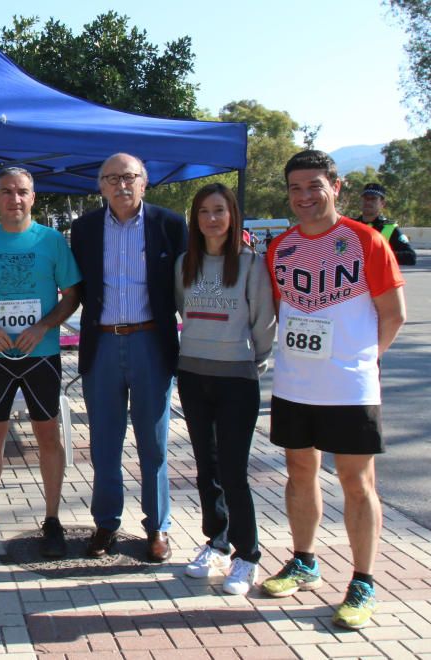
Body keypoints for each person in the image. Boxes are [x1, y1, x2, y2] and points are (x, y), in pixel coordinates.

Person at [262, 150, 405, 630]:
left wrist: (364, 360)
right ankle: (304, 559)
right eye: (296, 188)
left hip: (350, 387)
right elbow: (284, 313)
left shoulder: (365, 240)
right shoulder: (279, 247)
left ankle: (363, 580)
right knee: (299, 472)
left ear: (336, 187)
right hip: (295, 384)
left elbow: (394, 313)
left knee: (356, 482)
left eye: (314, 186)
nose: (304, 197)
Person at [0, 167, 81, 558]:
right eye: (6, 192)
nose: (14, 198)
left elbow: (72, 295)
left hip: (40, 354)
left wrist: (44, 324)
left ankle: (53, 520)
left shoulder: (52, 241)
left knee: (48, 436)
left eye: (22, 192)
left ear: (33, 197)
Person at [69, 152, 187, 562]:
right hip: (101, 343)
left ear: (145, 181)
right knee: (104, 443)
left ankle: (157, 527)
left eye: (130, 177)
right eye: (112, 178)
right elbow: (76, 286)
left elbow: (186, 284)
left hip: (150, 342)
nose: (121, 185)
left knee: (152, 444)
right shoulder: (82, 228)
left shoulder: (169, 225)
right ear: (100, 186)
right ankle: (106, 524)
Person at [174, 183, 276, 596]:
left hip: (237, 378)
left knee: (233, 472)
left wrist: (252, 360)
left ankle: (247, 555)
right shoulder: (184, 263)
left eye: (219, 210)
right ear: (194, 219)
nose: (211, 219)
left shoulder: (251, 264)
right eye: (203, 212)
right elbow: (183, 309)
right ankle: (216, 542)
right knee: (206, 469)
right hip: (194, 376)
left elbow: (264, 321)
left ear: (232, 216)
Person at [356, 182, 416, 266]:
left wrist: (381, 254)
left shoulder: (390, 228)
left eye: (373, 198)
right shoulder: (350, 226)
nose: (368, 202)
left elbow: (411, 257)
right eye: (366, 198)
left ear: (382, 203)